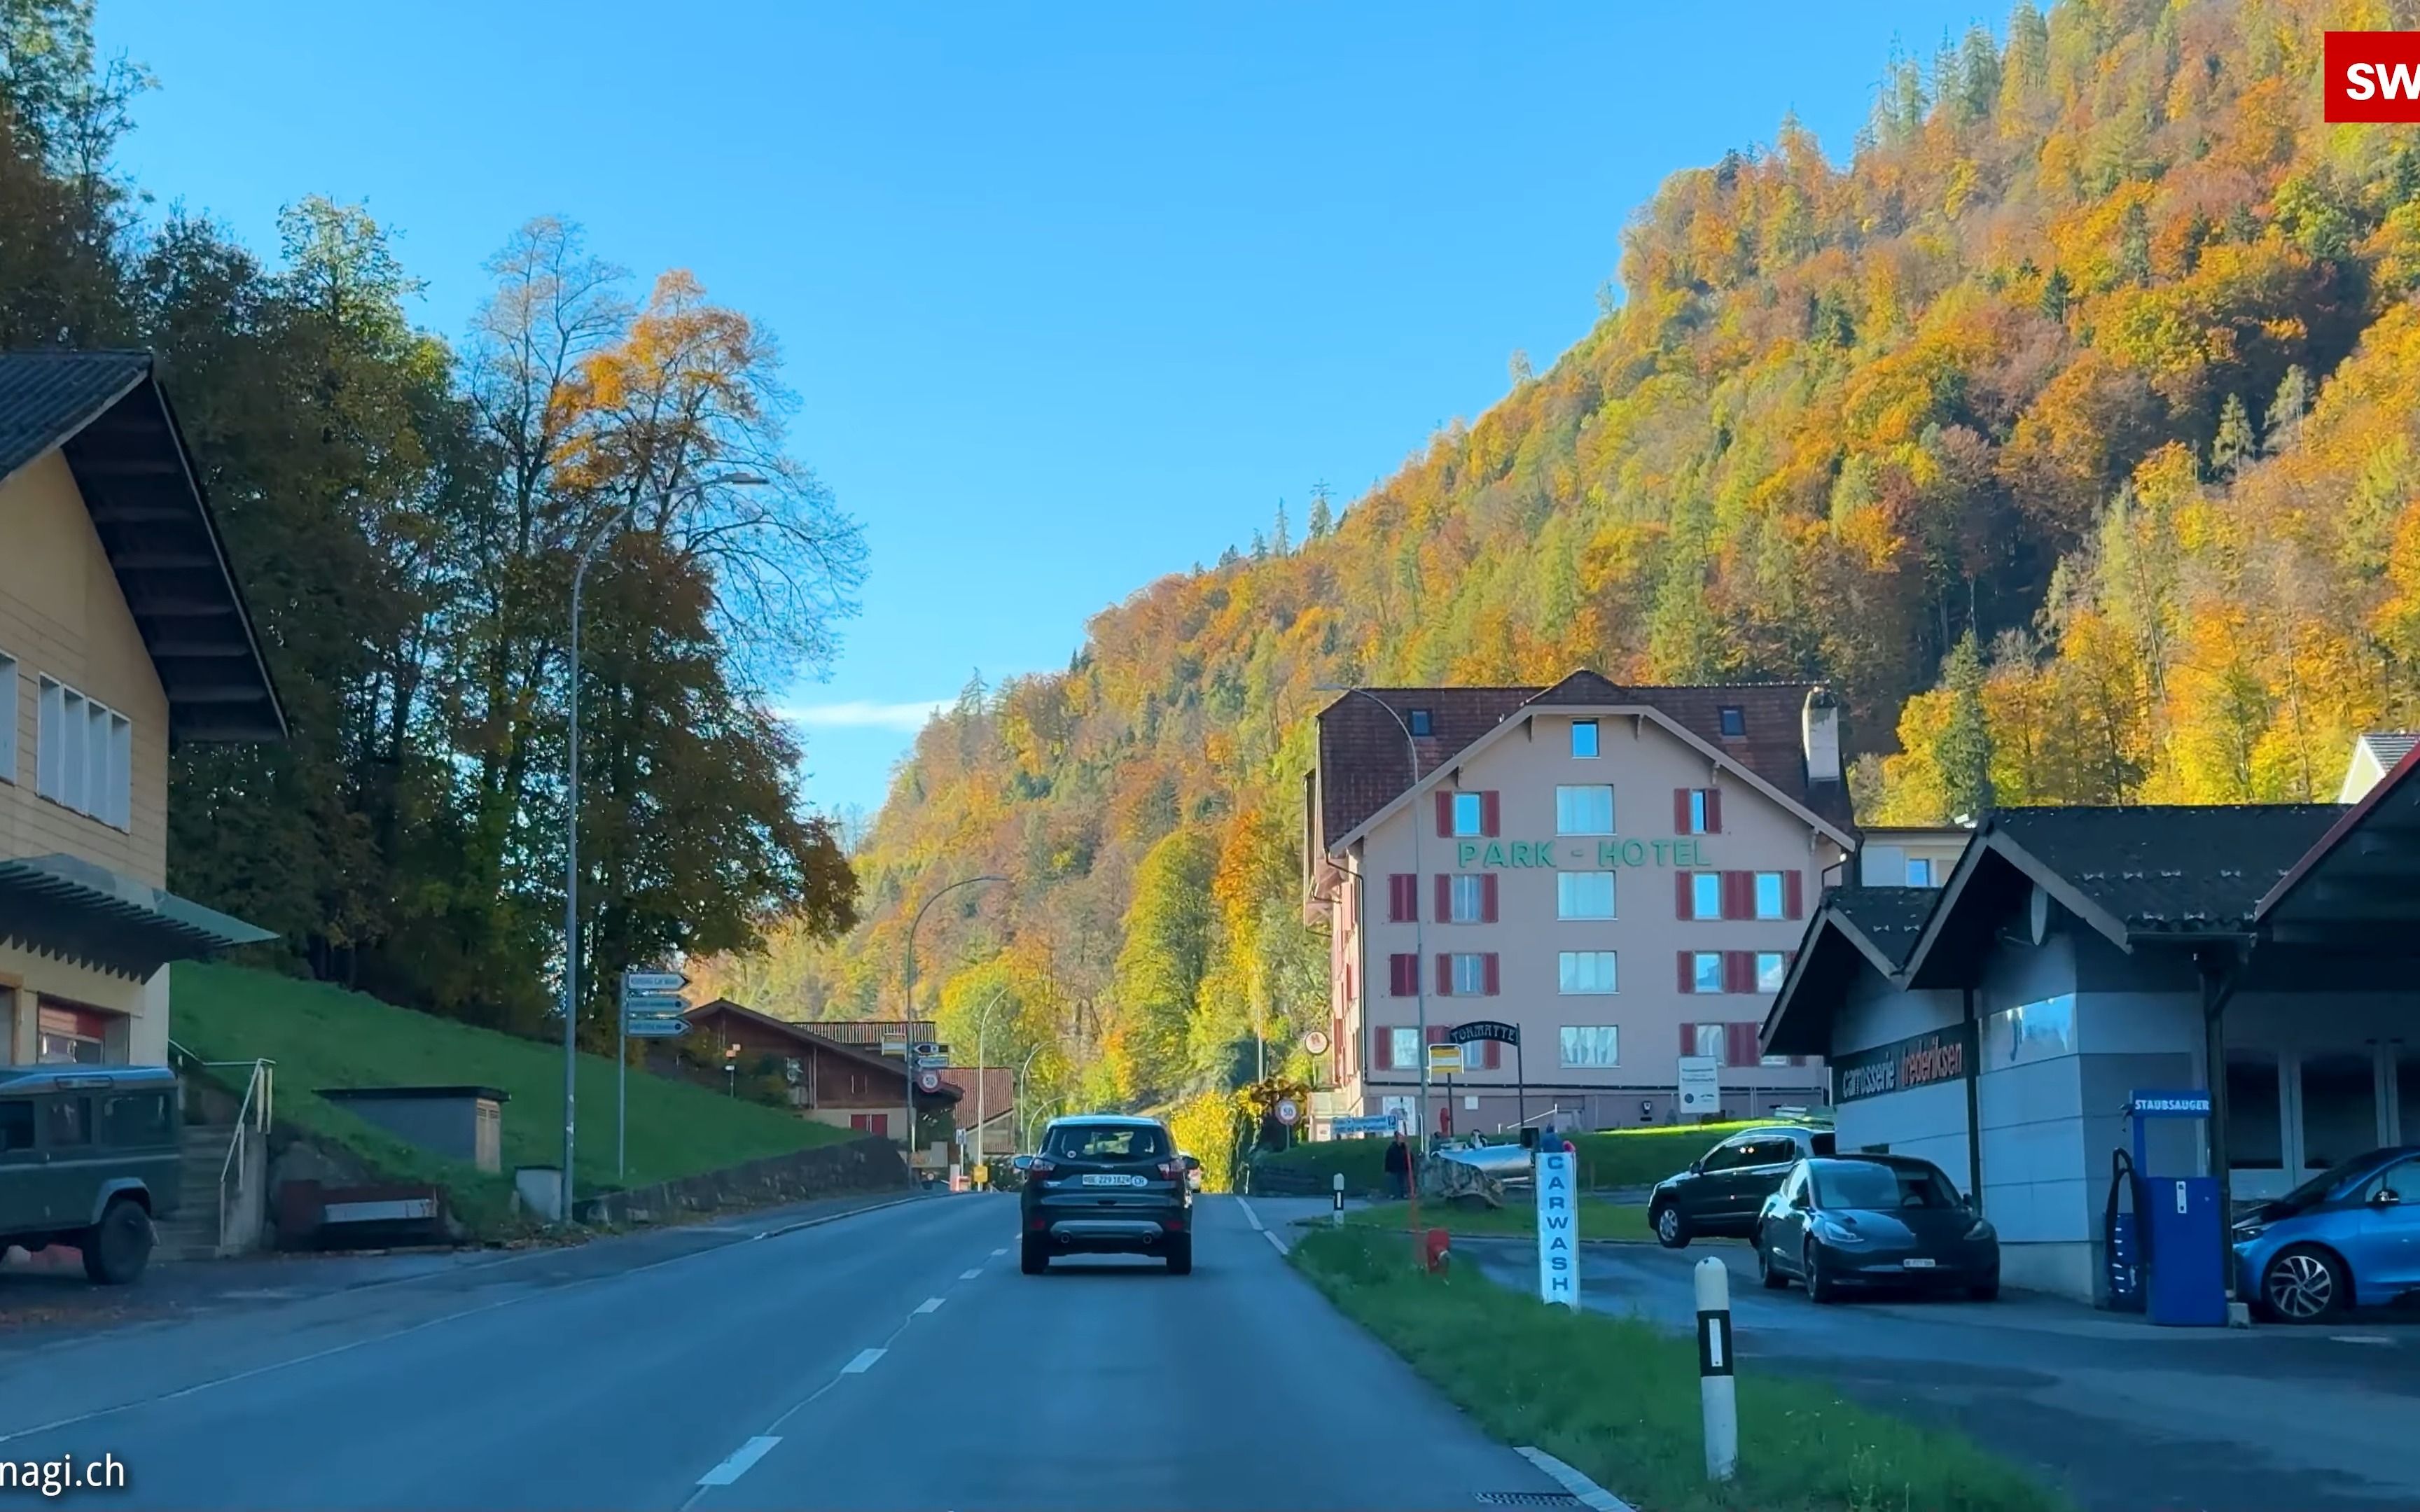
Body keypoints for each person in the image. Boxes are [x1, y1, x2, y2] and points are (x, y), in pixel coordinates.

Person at [1383, 1130, 1410, 1200]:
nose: (1402, 1139)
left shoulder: (1404, 1148)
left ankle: (1404, 1194)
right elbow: (1389, 1159)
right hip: (1395, 1169)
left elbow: (1409, 1157)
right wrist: (1388, 1169)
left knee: (1403, 1182)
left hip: (1403, 1168)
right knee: (1395, 1182)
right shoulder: (1392, 1148)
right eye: (1401, 1138)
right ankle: (1395, 1195)